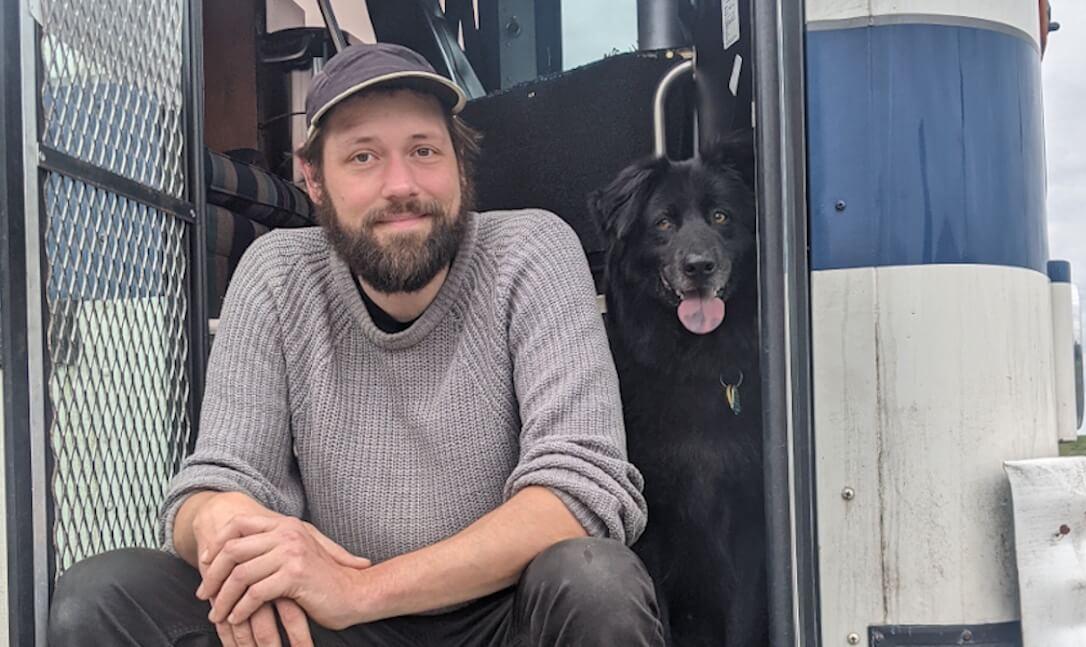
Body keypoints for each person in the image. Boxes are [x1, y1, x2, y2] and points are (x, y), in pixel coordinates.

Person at [48, 43, 661, 647]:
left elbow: (582, 492)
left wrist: (358, 591)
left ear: (459, 165)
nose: (401, 185)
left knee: (595, 580)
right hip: (328, 626)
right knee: (101, 595)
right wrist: (226, 526)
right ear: (313, 179)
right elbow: (218, 478)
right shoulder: (276, 274)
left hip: (501, 615)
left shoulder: (532, 251)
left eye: (423, 151)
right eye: (363, 157)